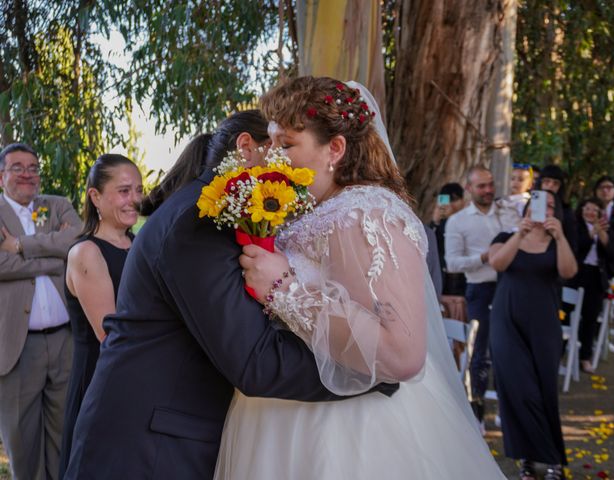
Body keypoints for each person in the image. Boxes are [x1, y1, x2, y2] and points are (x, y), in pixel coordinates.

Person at [63, 110, 396, 479]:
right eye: (282, 149)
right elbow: (254, 361)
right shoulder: (198, 223)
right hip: (147, 449)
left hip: (166, 436)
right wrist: (369, 369)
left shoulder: (211, 213)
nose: (292, 169)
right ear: (247, 148)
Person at [213, 77, 506, 479]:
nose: (273, 157)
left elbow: (402, 353)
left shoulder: (364, 212)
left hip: (355, 427)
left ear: (334, 148)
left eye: (287, 145)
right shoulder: (309, 212)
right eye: (273, 143)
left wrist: (283, 290)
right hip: (284, 413)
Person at [0, 142, 81, 479]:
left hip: (65, 341)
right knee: (22, 442)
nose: (27, 174)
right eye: (17, 167)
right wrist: (55, 259)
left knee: (65, 434)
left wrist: (21, 247)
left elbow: (77, 241)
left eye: (33, 167)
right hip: (17, 347)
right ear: (1, 175)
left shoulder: (57, 206)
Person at [58, 154, 142, 477]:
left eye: (138, 189)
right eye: (123, 191)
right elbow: (111, 336)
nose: (134, 199)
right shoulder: (86, 253)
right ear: (95, 197)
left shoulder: (138, 244)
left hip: (137, 376)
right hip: (100, 380)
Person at [489, 190, 577, 480]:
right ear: (528, 208)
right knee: (517, 390)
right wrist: (519, 233)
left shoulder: (557, 242)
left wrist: (561, 237)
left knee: (543, 392)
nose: (546, 209)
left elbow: (569, 271)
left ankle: (551, 461)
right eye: (540, 204)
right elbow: (497, 263)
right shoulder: (505, 235)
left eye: (552, 205)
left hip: (543, 326)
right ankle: (529, 457)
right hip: (506, 322)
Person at [445, 166, 520, 428]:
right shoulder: (458, 221)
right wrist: (484, 258)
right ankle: (476, 414)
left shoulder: (509, 214)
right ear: (468, 189)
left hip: (512, 288)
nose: (489, 190)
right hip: (480, 290)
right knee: (479, 354)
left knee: (510, 352)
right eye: (482, 186)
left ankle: (507, 410)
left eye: (490, 184)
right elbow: (452, 263)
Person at [568, 198, 612, 374]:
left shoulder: (605, 229)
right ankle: (561, 351)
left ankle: (585, 357)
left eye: (595, 210)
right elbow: (578, 247)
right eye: (587, 208)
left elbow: (612, 252)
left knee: (590, 318)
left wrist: (601, 233)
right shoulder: (575, 226)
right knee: (567, 313)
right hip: (577, 274)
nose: (590, 212)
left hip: (596, 276)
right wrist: (592, 232)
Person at [430, 182, 466, 296]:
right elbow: (430, 246)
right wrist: (435, 222)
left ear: (463, 201)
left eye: (454, 200)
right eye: (447, 200)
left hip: (461, 279)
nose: (450, 205)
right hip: (441, 276)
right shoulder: (438, 223)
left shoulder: (467, 219)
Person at [534, 164, 578, 253]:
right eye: (546, 181)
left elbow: (572, 246)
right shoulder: (529, 206)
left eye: (555, 183)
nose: (550, 186)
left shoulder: (567, 212)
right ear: (540, 183)